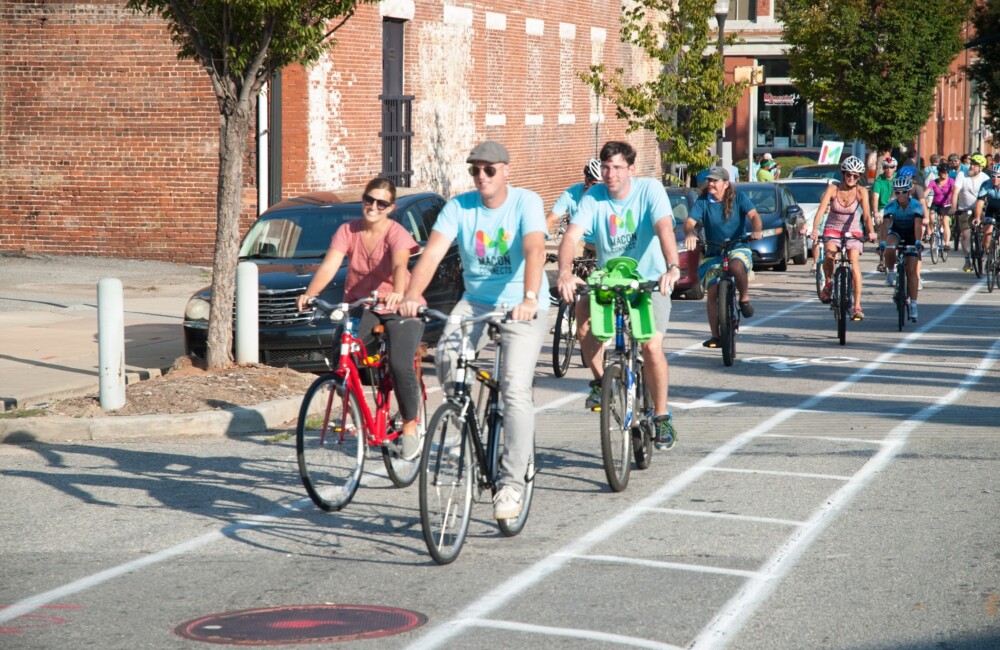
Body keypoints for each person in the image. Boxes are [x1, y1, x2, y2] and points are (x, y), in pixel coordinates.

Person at [400, 140, 548, 520]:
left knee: (515, 388)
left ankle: (512, 485)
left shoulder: (525, 203)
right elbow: (432, 253)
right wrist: (412, 295)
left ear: (505, 171)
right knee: (448, 357)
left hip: (521, 303)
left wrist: (530, 297)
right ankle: (460, 416)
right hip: (477, 302)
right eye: (475, 170)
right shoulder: (459, 207)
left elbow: (534, 249)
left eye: (489, 169)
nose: (481, 176)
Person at [556, 140, 682, 449]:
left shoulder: (649, 190)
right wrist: (564, 272)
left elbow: (664, 228)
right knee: (581, 310)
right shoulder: (593, 197)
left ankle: (662, 416)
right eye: (606, 167)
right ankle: (601, 380)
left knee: (651, 346)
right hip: (609, 280)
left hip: (650, 279)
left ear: (631, 169)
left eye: (617, 167)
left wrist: (672, 267)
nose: (610, 174)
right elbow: (571, 236)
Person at [296, 177, 426, 460]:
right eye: (369, 199)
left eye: (381, 203)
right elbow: (330, 265)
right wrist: (310, 294)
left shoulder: (396, 234)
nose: (373, 206)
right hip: (361, 304)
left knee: (400, 363)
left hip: (399, 306)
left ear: (390, 208)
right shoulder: (347, 230)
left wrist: (399, 293)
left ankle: (409, 427)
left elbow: (400, 263)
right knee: (341, 352)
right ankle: (355, 411)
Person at [683, 167, 762, 345]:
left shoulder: (739, 198)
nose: (710, 183)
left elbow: (754, 216)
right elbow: (689, 222)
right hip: (714, 251)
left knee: (736, 265)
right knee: (712, 291)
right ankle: (715, 335)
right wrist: (690, 233)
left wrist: (756, 230)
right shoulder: (703, 201)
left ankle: (744, 298)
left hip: (737, 246)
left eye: (715, 181)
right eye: (709, 180)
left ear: (726, 184)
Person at [810, 156, 877, 321]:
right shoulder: (833, 189)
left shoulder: (861, 191)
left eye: (856, 176)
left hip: (853, 229)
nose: (852, 178)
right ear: (843, 174)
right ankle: (828, 282)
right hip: (833, 228)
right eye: (849, 174)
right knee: (829, 255)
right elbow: (820, 211)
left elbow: (867, 216)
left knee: (854, 264)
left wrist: (871, 231)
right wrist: (814, 229)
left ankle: (857, 306)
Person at [880, 176, 925, 321]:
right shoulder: (890, 206)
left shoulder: (916, 205)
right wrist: (882, 242)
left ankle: (913, 305)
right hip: (896, 231)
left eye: (904, 192)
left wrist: (918, 241)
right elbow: (885, 226)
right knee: (890, 246)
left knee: (911, 271)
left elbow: (917, 225)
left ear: (909, 192)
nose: (900, 195)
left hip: (912, 233)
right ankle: (891, 272)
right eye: (897, 192)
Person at [950, 153, 990, 272]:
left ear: (981, 168)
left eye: (975, 165)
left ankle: (987, 253)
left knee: (987, 230)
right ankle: (967, 259)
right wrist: (953, 207)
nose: (972, 167)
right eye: (971, 164)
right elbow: (955, 192)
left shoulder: (985, 178)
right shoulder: (962, 175)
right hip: (964, 209)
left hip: (981, 209)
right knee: (965, 234)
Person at [547, 158, 601, 238]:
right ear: (586, 181)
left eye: (603, 185)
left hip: (601, 241)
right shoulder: (571, 193)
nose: (599, 189)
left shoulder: (608, 195)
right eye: (595, 184)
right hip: (579, 239)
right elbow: (551, 219)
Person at [925, 162, 955, 251]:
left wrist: (954, 203)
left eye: (947, 172)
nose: (945, 174)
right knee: (931, 217)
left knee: (945, 221)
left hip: (946, 204)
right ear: (939, 172)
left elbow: (954, 192)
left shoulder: (951, 181)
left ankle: (946, 243)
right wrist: (921, 200)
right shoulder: (933, 182)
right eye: (943, 172)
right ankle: (932, 233)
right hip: (936, 204)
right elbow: (926, 193)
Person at [973, 163, 1000, 257]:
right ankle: (988, 254)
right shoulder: (986, 184)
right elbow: (980, 202)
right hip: (991, 210)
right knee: (987, 233)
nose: (995, 178)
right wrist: (977, 217)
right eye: (993, 175)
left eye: (998, 176)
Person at [871, 156, 897, 228]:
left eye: (892, 167)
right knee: (881, 222)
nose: (889, 169)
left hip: (897, 208)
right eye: (886, 167)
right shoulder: (878, 182)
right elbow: (875, 198)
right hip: (883, 209)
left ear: (895, 168)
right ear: (883, 168)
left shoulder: (898, 178)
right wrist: (876, 212)